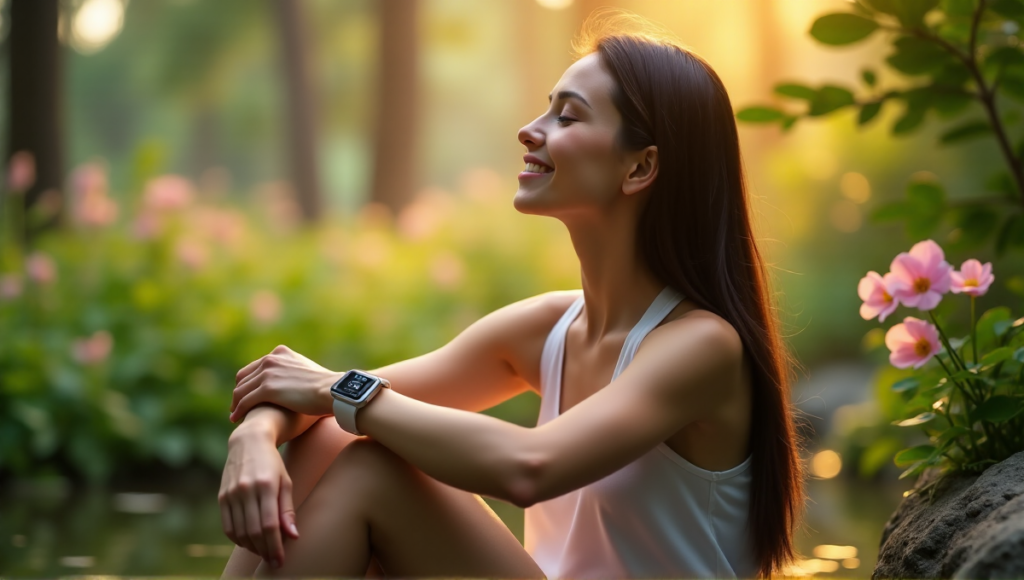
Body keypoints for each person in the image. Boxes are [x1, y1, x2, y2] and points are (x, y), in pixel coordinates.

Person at [219, 9, 804, 579]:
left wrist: (330, 387)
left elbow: (530, 467)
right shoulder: (547, 330)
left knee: (372, 466)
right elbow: (317, 415)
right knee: (330, 440)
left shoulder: (703, 345)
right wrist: (256, 435)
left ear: (640, 167)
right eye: (545, 108)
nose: (530, 129)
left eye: (568, 118)